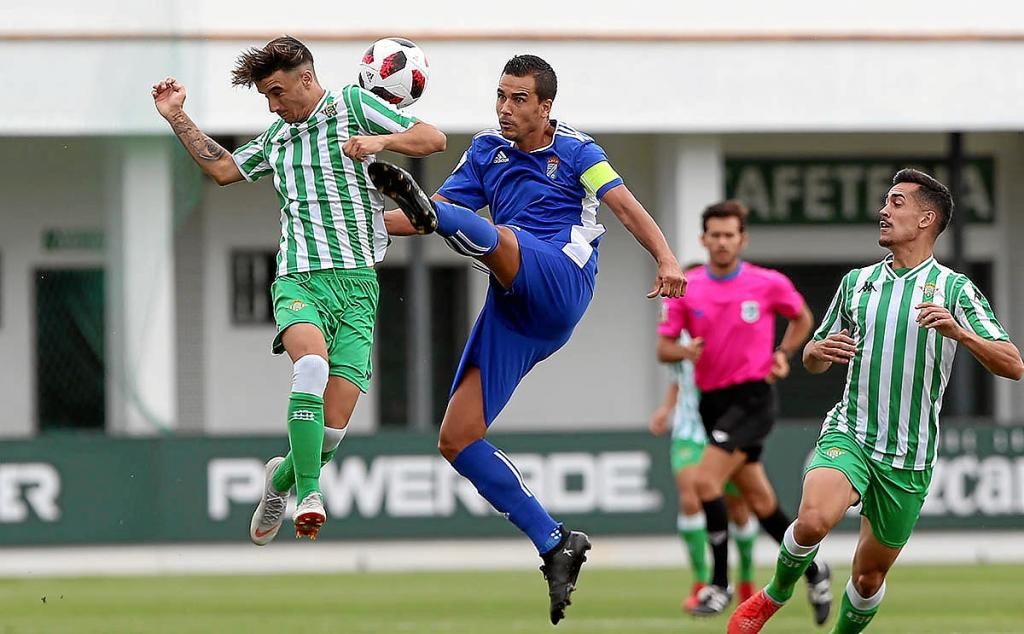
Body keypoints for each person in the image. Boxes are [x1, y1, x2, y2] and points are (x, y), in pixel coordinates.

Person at [368, 54, 686, 624]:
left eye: (519, 99)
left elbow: (623, 205)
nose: (505, 108)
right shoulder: (487, 150)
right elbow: (437, 214)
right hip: (513, 302)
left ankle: (448, 225)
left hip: (562, 278)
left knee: (500, 235)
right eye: (500, 96)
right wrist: (355, 229)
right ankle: (555, 542)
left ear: (546, 107)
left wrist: (665, 256)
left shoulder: (580, 153)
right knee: (457, 440)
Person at [151, 36, 446, 542]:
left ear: (306, 80)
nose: (272, 105)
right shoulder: (276, 140)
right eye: (265, 96)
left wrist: (379, 141)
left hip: (357, 285)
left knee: (332, 430)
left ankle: (281, 481)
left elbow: (432, 138)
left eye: (277, 92)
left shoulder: (354, 105)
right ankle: (309, 492)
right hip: (299, 278)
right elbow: (222, 169)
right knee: (310, 366)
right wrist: (177, 116)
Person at [729, 169, 1023, 634]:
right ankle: (776, 593)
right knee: (812, 521)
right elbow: (813, 356)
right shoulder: (858, 283)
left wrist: (958, 332)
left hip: (908, 455)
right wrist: (816, 352)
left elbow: (1013, 364)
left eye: (896, 202)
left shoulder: (955, 290)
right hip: (852, 431)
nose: (884, 211)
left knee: (868, 577)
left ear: (927, 219)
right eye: (886, 202)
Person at [658, 200, 832, 624]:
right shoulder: (688, 286)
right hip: (712, 403)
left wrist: (783, 353)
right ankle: (815, 570)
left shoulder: (766, 283)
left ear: (742, 239)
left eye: (729, 234)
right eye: (714, 235)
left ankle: (719, 583)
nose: (721, 242)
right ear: (703, 239)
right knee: (761, 503)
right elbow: (663, 350)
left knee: (703, 480)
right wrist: (685, 350)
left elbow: (802, 317)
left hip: (753, 399)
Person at [649, 315, 760, 611]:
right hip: (688, 432)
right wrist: (666, 409)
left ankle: (746, 578)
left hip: (728, 429)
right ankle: (702, 581)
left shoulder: (728, 324)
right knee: (690, 499)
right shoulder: (676, 331)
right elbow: (677, 378)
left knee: (738, 507)